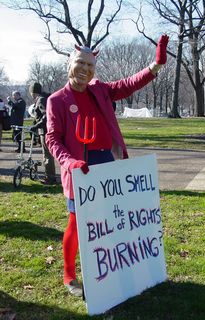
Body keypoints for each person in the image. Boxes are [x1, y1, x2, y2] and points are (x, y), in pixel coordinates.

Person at [45, 34, 169, 297]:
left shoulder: (100, 90)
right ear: (70, 64)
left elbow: (128, 84)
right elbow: (52, 139)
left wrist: (155, 65)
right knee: (77, 223)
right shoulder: (56, 100)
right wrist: (69, 162)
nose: (85, 69)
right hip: (78, 168)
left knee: (110, 220)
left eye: (90, 66)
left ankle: (110, 269)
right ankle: (69, 276)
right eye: (80, 63)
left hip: (106, 162)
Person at [29, 82, 57, 185]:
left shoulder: (41, 100)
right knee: (47, 154)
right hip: (45, 130)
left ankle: (50, 177)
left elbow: (46, 116)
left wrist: (36, 126)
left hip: (45, 131)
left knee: (47, 155)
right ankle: (50, 176)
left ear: (33, 92)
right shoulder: (44, 98)